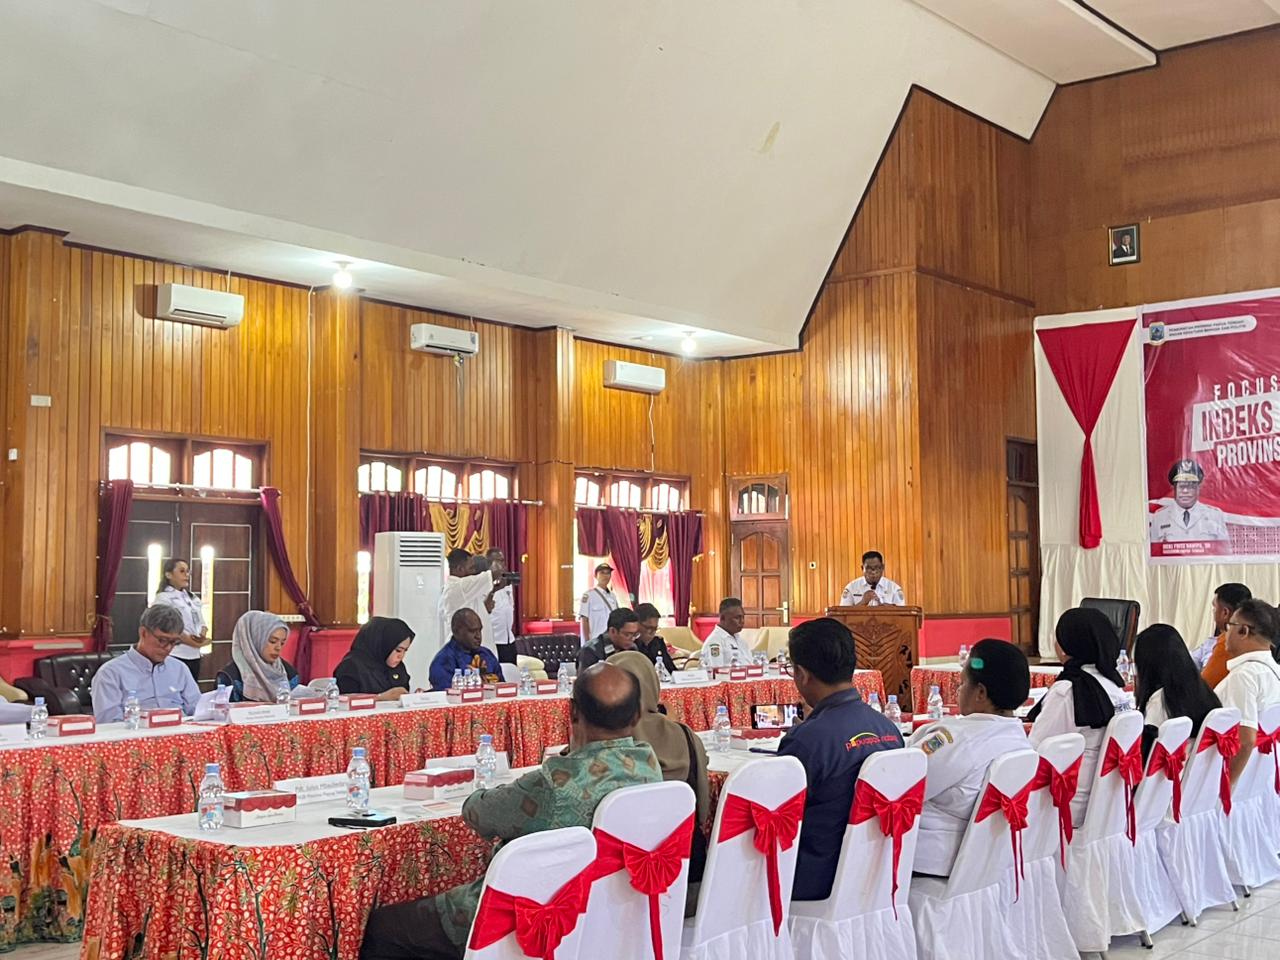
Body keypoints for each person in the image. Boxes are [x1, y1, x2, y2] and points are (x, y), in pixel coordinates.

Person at [359, 663, 661, 960]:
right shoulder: (649, 767)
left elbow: (477, 813)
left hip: (525, 913)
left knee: (383, 928)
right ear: (636, 716)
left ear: (571, 712)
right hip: (606, 907)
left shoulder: (554, 784)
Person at [778, 617, 902, 901]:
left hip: (814, 880)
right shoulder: (889, 730)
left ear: (802, 674)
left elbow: (774, 826)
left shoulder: (806, 741)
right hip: (877, 872)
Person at [908, 639, 1031, 877]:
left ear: (981, 693)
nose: (958, 690)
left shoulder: (955, 740)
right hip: (988, 860)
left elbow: (903, 783)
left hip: (931, 861)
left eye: (963, 683)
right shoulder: (1019, 737)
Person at [608, 650, 710, 883]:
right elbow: (703, 809)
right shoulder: (685, 735)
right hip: (685, 875)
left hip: (624, 881)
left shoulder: (607, 739)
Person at [1027, 607, 1129, 826]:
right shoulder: (1116, 688)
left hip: (1067, 807)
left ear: (1066, 648)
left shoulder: (1069, 691)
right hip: (1108, 802)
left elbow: (1034, 751)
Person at [90, 604, 201, 722]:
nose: (168, 648)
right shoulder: (110, 674)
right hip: (137, 736)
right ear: (143, 633)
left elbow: (198, 711)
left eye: (174, 642)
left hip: (181, 734)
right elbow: (109, 724)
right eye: (162, 640)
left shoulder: (179, 668)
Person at [1213, 599, 1280, 788]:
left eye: (1229, 626)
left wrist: (1226, 789)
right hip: (1260, 780)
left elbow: (1246, 740)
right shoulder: (1275, 672)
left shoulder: (1244, 676)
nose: (1225, 633)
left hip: (1237, 784)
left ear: (1244, 631)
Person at [1133, 623, 1220, 759]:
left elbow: (1147, 760)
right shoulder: (1203, 691)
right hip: (1197, 776)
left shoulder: (1160, 701)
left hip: (1168, 777)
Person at [221, 611, 300, 703]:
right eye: (272, 641)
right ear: (254, 640)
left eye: (282, 643)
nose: (278, 648)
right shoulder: (230, 677)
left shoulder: (289, 673)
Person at [150, 558, 209, 682]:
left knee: (190, 691)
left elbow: (201, 621)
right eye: (182, 571)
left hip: (194, 654)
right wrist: (190, 641)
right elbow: (166, 627)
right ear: (168, 574)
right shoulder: (163, 598)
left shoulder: (192, 598)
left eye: (188, 572)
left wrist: (202, 635)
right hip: (176, 653)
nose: (186, 575)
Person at [438, 549, 503, 656]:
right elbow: (495, 572)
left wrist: (493, 591)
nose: (474, 572)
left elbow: (484, 610)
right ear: (460, 569)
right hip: (465, 651)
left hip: (476, 650)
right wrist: (496, 562)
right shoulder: (459, 587)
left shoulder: (466, 589)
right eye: (471, 568)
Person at [334, 617, 415, 700]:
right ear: (383, 645)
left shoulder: (398, 668)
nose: (401, 656)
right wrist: (380, 698)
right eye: (398, 650)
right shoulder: (351, 667)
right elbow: (345, 702)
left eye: (405, 651)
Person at [1149, 459, 1230, 543]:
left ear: (1198, 488)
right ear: (1174, 489)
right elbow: (1154, 552)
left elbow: (1224, 552)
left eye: (1190, 486)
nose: (1185, 491)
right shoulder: (1160, 518)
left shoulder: (1215, 516)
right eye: (1181, 486)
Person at [429, 609, 501, 690]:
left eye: (479, 630)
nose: (478, 636)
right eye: (472, 631)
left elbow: (502, 687)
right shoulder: (443, 661)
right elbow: (447, 696)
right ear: (456, 631)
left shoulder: (486, 654)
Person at [1197, 583, 1252, 687]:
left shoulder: (1228, 643)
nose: (1213, 612)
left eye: (1214, 608)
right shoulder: (1259, 638)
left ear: (1225, 613)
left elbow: (1204, 688)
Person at [699, 598, 753, 668]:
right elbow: (716, 672)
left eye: (743, 617)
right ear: (722, 618)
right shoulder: (714, 642)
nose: (742, 621)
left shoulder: (741, 641)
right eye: (737, 618)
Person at [839, 550, 906, 607]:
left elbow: (902, 614)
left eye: (877, 567)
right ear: (862, 568)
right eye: (869, 568)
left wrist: (883, 607)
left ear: (882, 567)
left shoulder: (894, 589)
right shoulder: (851, 588)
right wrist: (862, 603)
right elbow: (843, 614)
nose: (873, 572)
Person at [485, 548, 517, 661]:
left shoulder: (506, 583)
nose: (502, 564)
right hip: (494, 640)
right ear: (489, 563)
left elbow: (510, 607)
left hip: (508, 639)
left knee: (511, 674)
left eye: (503, 561)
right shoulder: (484, 583)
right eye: (499, 561)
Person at [578, 562, 621, 644]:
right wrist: (587, 642)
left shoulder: (613, 596)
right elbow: (584, 620)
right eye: (602, 573)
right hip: (595, 640)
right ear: (595, 576)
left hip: (611, 639)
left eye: (608, 573)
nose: (605, 576)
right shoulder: (588, 595)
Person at [634, 602, 678, 675]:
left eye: (655, 628)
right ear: (637, 624)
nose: (652, 632)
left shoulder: (658, 643)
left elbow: (672, 670)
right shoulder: (630, 645)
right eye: (649, 628)